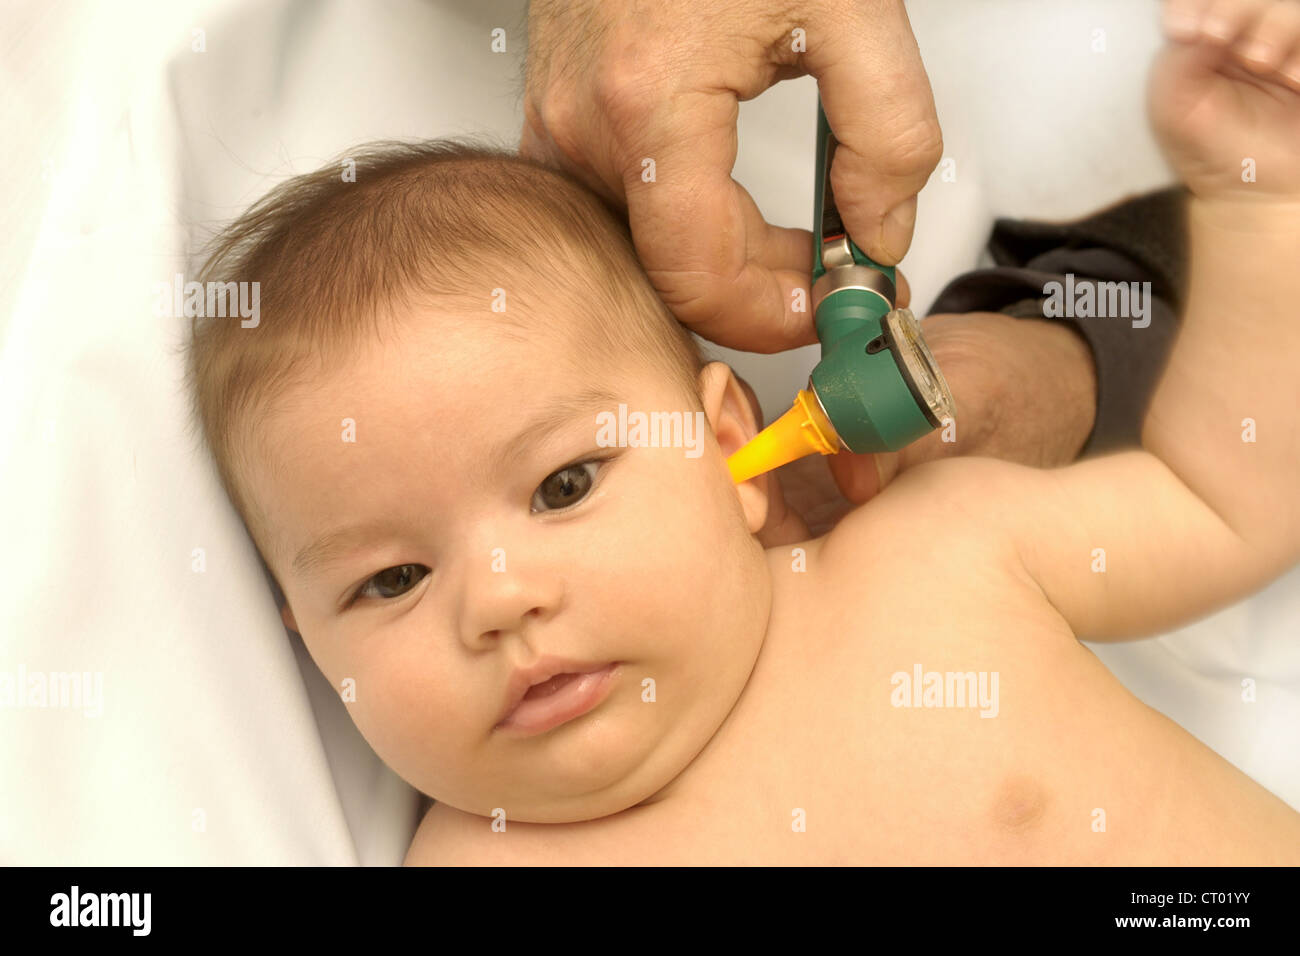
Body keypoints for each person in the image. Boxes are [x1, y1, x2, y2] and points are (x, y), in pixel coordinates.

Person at [183, 0, 1300, 863]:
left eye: (566, 484)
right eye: (389, 579)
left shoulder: (940, 552)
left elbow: (1227, 499)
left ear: (728, 444)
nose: (498, 600)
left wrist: (1257, 206)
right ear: (302, 640)